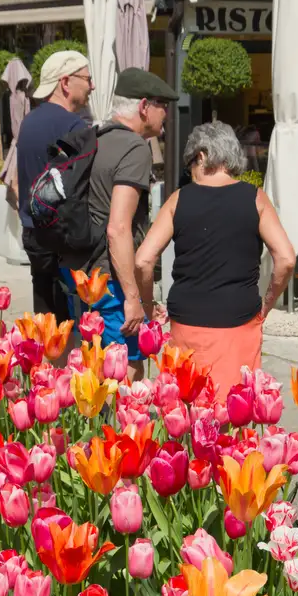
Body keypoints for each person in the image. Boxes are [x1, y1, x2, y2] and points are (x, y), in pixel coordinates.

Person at [132, 122, 294, 398]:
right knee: (234, 414)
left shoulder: (178, 199)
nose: (190, 174)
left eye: (189, 166)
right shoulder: (255, 198)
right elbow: (287, 259)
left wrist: (148, 306)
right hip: (239, 322)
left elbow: (143, 261)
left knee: (185, 413)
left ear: (202, 156)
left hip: (187, 323)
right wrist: (266, 305)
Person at [64, 67, 176, 378]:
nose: (165, 114)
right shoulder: (134, 147)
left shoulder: (97, 137)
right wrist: (132, 298)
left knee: (92, 366)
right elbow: (118, 227)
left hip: (81, 273)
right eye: (162, 105)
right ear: (144, 106)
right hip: (110, 278)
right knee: (125, 371)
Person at [12, 50, 92, 319]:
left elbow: (15, 183)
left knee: (45, 317)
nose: (92, 86)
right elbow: (81, 185)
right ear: (66, 82)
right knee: (72, 324)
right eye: (87, 79)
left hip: (33, 233)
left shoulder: (28, 122)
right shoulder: (73, 126)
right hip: (63, 238)